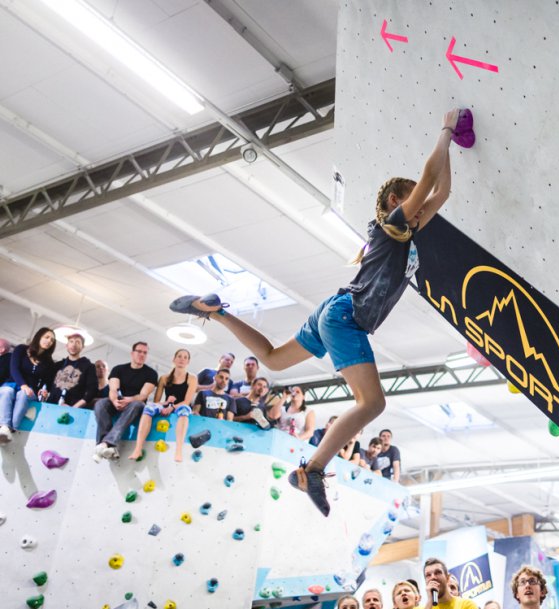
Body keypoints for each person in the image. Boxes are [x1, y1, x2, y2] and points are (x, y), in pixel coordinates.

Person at [169, 107, 466, 515]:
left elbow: (441, 193)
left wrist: (454, 148)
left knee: (272, 359)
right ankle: (311, 469)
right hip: (347, 315)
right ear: (397, 201)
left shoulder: (405, 230)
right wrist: (446, 129)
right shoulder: (393, 225)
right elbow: (430, 182)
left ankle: (216, 311)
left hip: (336, 310)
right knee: (372, 404)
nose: (420, 205)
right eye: (412, 198)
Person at [93, 341, 158, 460]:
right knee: (100, 403)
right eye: (139, 351)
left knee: (137, 404)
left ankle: (106, 443)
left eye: (145, 353)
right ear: (132, 353)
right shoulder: (118, 369)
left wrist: (129, 400)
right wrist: (114, 401)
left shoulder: (151, 373)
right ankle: (106, 445)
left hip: (135, 404)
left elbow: (143, 395)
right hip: (118, 401)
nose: (142, 354)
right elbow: (113, 389)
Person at [129, 349, 197, 462]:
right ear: (174, 359)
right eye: (179, 356)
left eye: (185, 357)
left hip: (180, 407)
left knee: (185, 410)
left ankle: (178, 450)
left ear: (188, 362)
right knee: (149, 407)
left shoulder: (192, 378)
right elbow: (157, 401)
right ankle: (138, 448)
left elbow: (187, 401)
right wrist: (166, 404)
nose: (182, 359)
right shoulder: (164, 378)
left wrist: (172, 407)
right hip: (167, 404)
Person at [0, 327, 56, 442]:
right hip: (12, 383)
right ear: (39, 337)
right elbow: (13, 369)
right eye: (47, 337)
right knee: (7, 391)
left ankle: (11, 429)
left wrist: (44, 390)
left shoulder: (49, 362)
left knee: (24, 395)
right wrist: (23, 385)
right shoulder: (21, 349)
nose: (49, 341)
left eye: (52, 340)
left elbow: (47, 382)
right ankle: (4, 427)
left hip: (30, 390)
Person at [47, 331, 98, 408]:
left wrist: (74, 407)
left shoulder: (89, 367)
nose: (74, 345)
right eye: (71, 341)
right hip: (49, 406)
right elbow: (47, 384)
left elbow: (92, 391)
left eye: (78, 342)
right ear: (67, 345)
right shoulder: (58, 365)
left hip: (72, 409)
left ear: (82, 346)